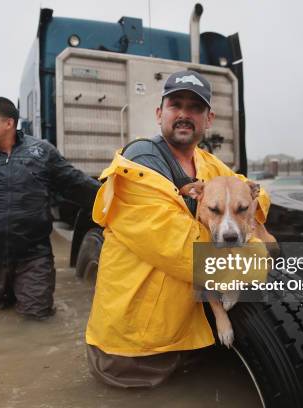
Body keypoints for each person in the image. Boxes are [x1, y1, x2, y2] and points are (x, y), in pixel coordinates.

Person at [85, 70, 270, 387]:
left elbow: (256, 193)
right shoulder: (138, 165)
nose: (185, 114)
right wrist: (261, 252)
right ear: (160, 113)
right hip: (136, 350)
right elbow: (191, 255)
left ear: (208, 118)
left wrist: (249, 209)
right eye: (175, 104)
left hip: (192, 334)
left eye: (195, 107)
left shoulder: (208, 164)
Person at [0, 97, 99, 320]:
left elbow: (74, 182)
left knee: (37, 315)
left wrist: (112, 197)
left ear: (9, 123)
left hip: (34, 255)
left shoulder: (40, 153)